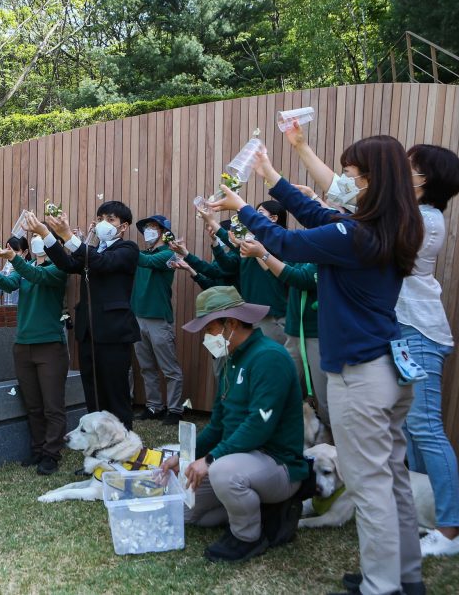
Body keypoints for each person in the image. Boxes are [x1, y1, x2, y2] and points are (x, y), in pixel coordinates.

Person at [214, 137, 425, 595]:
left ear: (372, 181)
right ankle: (405, 576)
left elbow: (288, 242)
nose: (342, 182)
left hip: (362, 376)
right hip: (390, 369)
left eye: (350, 175)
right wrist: (270, 175)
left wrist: (243, 208)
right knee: (394, 479)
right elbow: (317, 216)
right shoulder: (386, 228)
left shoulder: (356, 235)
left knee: (369, 486)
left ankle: (382, 585)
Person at [160, 286, 307, 563]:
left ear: (232, 324)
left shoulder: (269, 357)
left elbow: (259, 424)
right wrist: (185, 457)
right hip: (242, 459)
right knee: (186, 512)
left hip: (277, 463)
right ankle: (261, 512)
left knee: (223, 471)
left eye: (210, 328)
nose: (206, 337)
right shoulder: (231, 362)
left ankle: (247, 538)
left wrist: (211, 458)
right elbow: (217, 425)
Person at [398, 144, 459, 558]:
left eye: (411, 167)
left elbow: (383, 243)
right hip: (403, 331)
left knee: (425, 428)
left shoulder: (428, 221)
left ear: (428, 178)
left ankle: (452, 530)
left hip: (420, 332)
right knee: (410, 428)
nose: (403, 172)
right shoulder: (411, 216)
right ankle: (427, 516)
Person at [34, 201, 140, 431]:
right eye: (101, 218)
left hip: (113, 332)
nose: (104, 224)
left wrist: (70, 237)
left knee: (115, 392)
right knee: (92, 391)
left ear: (123, 226)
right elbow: (66, 263)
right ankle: (98, 446)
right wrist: (46, 234)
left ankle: (122, 448)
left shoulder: (128, 249)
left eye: (110, 219)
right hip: (88, 331)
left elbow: (102, 263)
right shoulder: (91, 250)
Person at [0, 232, 69, 475]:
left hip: (49, 345)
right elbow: (10, 283)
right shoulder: (24, 267)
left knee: (52, 406)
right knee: (33, 405)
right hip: (23, 344)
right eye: (33, 235)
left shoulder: (59, 267)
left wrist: (15, 258)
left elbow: (35, 275)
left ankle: (51, 453)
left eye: (41, 237)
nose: (36, 240)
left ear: (53, 244)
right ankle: (38, 449)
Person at [235, 241, 328, 437]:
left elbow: (298, 278)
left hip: (317, 335)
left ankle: (333, 445)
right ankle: (278, 436)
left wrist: (263, 253)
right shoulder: (301, 256)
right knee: (279, 386)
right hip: (294, 332)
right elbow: (277, 270)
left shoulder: (324, 257)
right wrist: (259, 254)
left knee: (325, 396)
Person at [202, 201, 290, 345]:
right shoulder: (251, 244)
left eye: (260, 213)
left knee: (270, 357)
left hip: (271, 313)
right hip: (251, 311)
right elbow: (229, 244)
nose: (254, 217)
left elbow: (232, 240)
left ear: (274, 218)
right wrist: (212, 225)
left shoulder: (278, 240)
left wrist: (212, 221)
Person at [131, 214, 184, 426]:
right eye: (146, 228)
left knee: (169, 368)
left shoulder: (170, 253)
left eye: (153, 227)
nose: (148, 231)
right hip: (138, 317)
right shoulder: (141, 254)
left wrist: (125, 248)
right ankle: (154, 406)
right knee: (146, 366)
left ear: (163, 231)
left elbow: (149, 261)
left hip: (159, 319)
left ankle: (175, 409)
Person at [0, 236, 29, 305]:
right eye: (9, 251)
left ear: (25, 252)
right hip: (8, 313)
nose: (11, 255)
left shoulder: (31, 271)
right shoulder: (3, 272)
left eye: (15, 252)